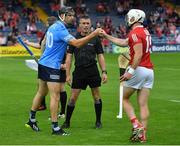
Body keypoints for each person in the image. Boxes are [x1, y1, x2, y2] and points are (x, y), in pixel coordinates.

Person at [25, 7, 104, 136]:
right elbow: (77, 44)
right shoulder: (60, 29)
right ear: (62, 15)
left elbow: (44, 43)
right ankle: (55, 128)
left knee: (41, 92)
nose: (73, 17)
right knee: (55, 97)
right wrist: (93, 34)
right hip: (51, 66)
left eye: (73, 15)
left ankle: (31, 119)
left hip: (43, 63)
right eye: (70, 15)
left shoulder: (53, 26)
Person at [101, 9, 154, 142]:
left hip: (139, 69)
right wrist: (107, 36)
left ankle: (136, 125)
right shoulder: (145, 31)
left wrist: (130, 71)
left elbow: (138, 54)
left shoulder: (135, 32)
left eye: (129, 17)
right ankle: (143, 134)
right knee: (143, 104)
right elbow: (124, 43)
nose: (127, 19)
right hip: (149, 71)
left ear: (133, 18)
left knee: (124, 98)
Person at [61, 15, 107, 129]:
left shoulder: (96, 39)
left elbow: (100, 56)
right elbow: (69, 57)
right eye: (83, 23)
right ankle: (67, 122)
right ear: (79, 25)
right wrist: (67, 74)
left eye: (87, 23)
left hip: (92, 70)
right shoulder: (73, 39)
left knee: (96, 96)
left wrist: (104, 71)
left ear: (90, 25)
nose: (86, 25)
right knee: (72, 98)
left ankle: (98, 122)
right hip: (79, 71)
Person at [24, 16, 59, 111]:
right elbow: (40, 46)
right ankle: (42, 105)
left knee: (56, 89)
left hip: (51, 64)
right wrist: (28, 43)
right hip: (45, 64)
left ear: (48, 23)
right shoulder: (47, 33)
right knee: (41, 86)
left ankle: (60, 112)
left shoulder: (53, 34)